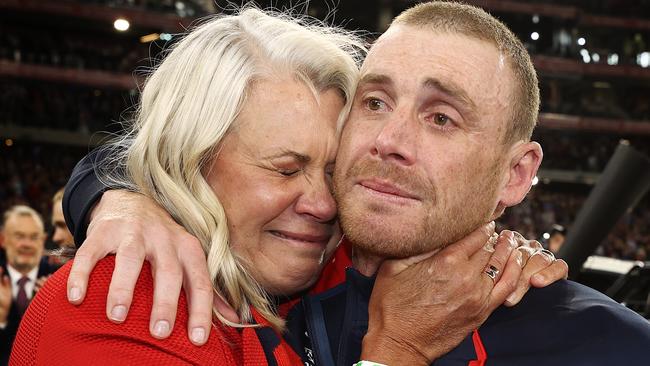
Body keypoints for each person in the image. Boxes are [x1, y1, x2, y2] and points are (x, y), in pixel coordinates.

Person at [56, 1, 649, 365]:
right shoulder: (266, 270)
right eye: (374, 101)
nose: (388, 138)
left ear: (516, 174)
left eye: (442, 117)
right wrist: (117, 195)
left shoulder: (612, 349)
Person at [0, 206, 55, 365]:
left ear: (43, 241)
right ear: (3, 240)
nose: (27, 244)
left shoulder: (61, 280)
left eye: (34, 237)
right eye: (19, 236)